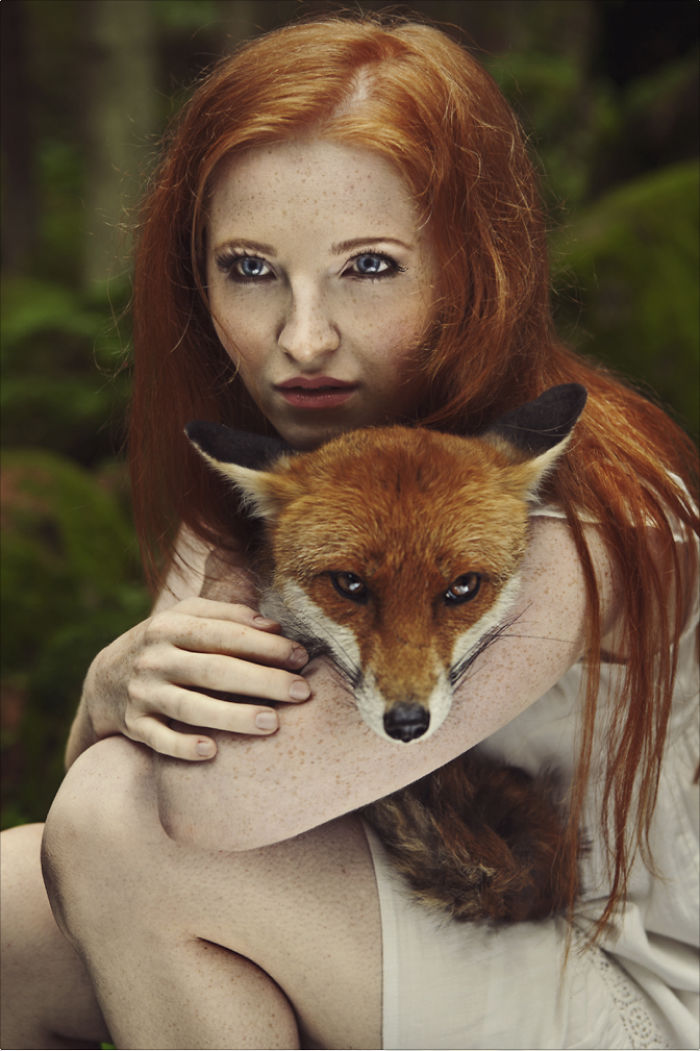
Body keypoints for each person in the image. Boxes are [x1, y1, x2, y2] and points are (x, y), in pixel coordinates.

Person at [1, 13, 698, 1050]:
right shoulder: (283, 480)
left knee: (116, 825)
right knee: (15, 904)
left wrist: (131, 704)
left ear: (473, 267)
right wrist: (114, 682)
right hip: (428, 919)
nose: (302, 338)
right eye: (250, 269)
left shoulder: (564, 519)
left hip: (620, 996)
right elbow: (125, 760)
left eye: (368, 267)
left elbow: (193, 806)